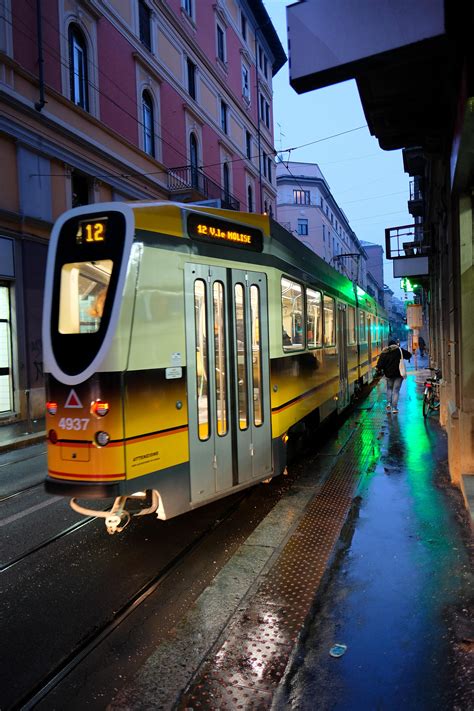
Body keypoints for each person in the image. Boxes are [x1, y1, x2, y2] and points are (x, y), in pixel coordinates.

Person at [376, 339, 412, 414]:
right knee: (396, 391)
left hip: (388, 375)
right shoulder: (399, 350)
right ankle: (394, 408)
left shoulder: (384, 352)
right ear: (395, 344)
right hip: (399, 374)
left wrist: (381, 369)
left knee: (389, 389)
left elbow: (379, 365)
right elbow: (409, 355)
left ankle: (389, 403)